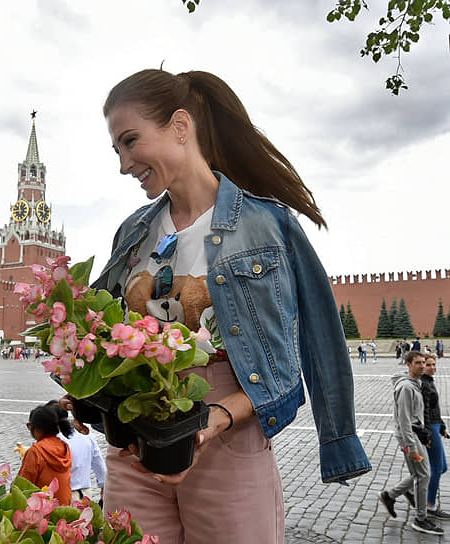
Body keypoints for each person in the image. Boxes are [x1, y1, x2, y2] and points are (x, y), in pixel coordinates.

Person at [63, 68, 370, 542]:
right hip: (133, 447)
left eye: (130, 141)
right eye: (117, 150)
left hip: (227, 437)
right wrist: (86, 379)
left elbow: (309, 347)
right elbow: (103, 327)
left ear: (180, 127)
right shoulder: (132, 231)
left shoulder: (266, 225)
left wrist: (216, 418)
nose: (124, 163)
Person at [379, 351, 444, 535]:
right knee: (423, 476)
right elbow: (404, 420)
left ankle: (390, 496)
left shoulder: (417, 384)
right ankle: (420, 519)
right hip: (409, 436)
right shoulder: (406, 388)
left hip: (416, 434)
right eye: (418, 363)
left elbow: (417, 416)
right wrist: (411, 447)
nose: (422, 366)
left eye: (424, 362)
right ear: (408, 364)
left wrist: (425, 436)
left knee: (421, 474)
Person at [48, 401, 107, 503]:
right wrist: (103, 487)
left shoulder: (53, 439)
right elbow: (99, 463)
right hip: (86, 494)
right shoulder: (87, 435)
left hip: (62, 496)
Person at [18, 403, 73, 506]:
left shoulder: (36, 451)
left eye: (30, 426)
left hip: (42, 509)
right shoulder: (64, 447)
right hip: (64, 507)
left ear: (37, 428)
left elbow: (22, 484)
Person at [421, 353, 450, 519]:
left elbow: (435, 408)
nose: (433, 368)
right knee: (437, 468)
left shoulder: (429, 381)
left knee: (442, 467)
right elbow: (424, 411)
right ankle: (430, 506)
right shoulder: (424, 384)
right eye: (429, 365)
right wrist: (428, 434)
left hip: (436, 425)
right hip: (430, 427)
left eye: (434, 364)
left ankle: (411, 489)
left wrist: (442, 426)